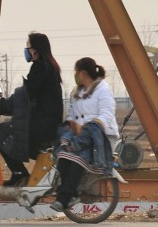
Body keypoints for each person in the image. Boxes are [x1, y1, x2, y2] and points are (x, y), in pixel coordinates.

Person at [0, 32, 63, 186]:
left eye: (27, 46)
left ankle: (19, 174)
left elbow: (27, 93)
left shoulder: (40, 67)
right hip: (48, 122)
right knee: (16, 134)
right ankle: (40, 174)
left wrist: (3, 104)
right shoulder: (49, 66)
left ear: (35, 49)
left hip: (43, 123)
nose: (26, 50)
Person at [51, 57, 118, 212]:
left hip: (99, 136)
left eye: (76, 72)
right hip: (79, 136)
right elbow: (72, 115)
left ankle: (63, 198)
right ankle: (71, 193)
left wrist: (88, 127)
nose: (75, 75)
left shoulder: (103, 89)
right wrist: (70, 124)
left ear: (82, 73)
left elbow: (106, 115)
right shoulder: (77, 93)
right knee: (63, 156)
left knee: (76, 160)